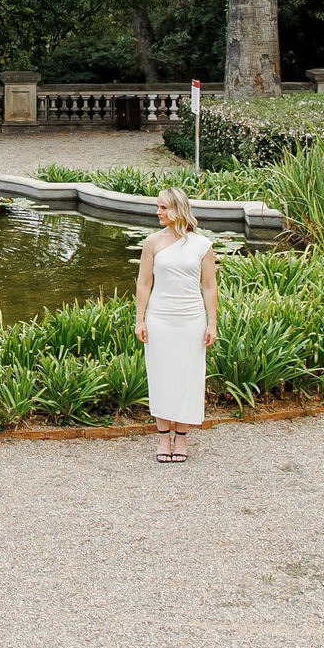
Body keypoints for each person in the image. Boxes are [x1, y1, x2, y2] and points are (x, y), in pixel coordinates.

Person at [135, 184, 217, 464]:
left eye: (163, 207)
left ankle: (180, 438)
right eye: (157, 206)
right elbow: (144, 283)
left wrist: (212, 323)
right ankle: (162, 437)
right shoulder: (152, 242)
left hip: (192, 320)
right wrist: (140, 319)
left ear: (178, 209)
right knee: (161, 375)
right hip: (160, 318)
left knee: (188, 377)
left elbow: (209, 286)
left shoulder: (202, 245)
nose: (157, 212)